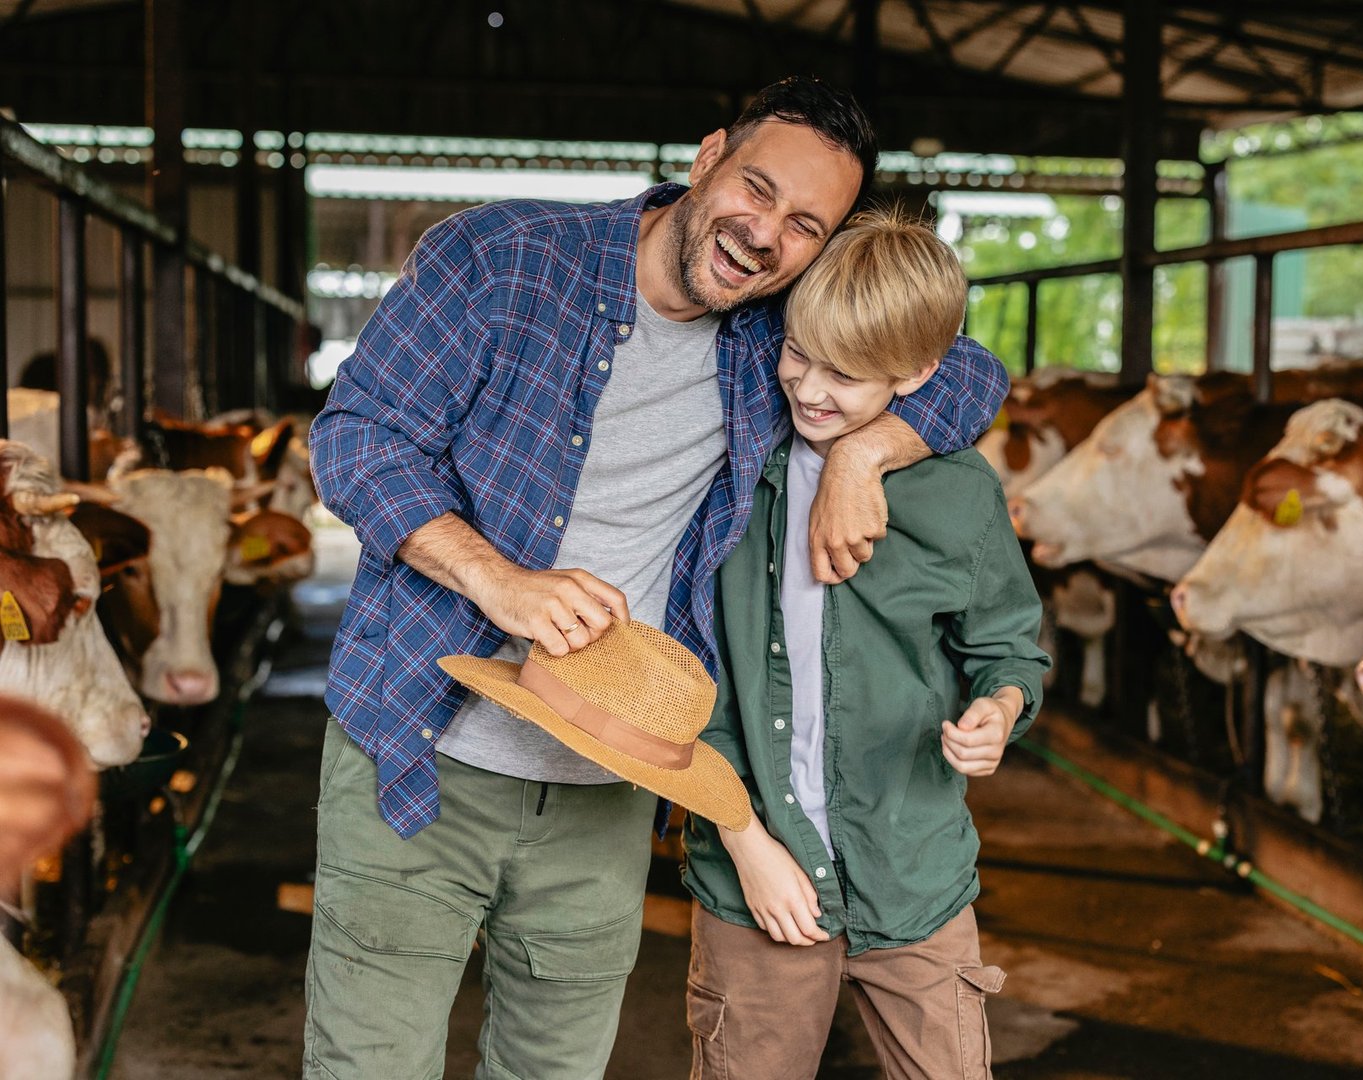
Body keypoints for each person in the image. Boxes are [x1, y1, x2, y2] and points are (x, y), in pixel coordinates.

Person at [302, 77, 1009, 1079]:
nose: (765, 235)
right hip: (420, 741)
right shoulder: (500, 261)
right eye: (756, 189)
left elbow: (966, 368)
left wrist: (864, 455)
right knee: (368, 1065)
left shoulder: (777, 335)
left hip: (609, 776)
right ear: (707, 155)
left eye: (806, 225)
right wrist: (500, 580)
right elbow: (358, 438)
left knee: (553, 1067)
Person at [681, 209, 1049, 1078]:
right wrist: (743, 843)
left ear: (922, 374)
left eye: (847, 376)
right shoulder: (730, 477)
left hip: (913, 872)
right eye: (798, 354)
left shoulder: (958, 494)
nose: (809, 389)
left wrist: (1000, 709)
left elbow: (1009, 649)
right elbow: (688, 687)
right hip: (754, 879)